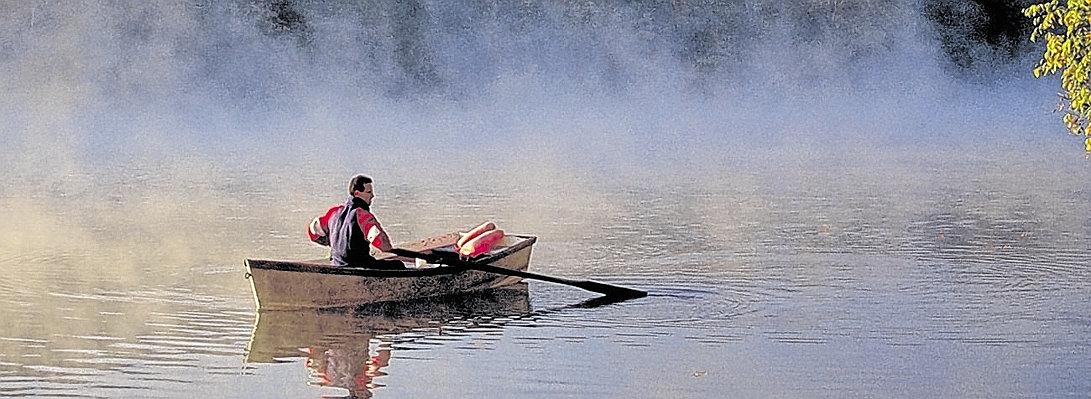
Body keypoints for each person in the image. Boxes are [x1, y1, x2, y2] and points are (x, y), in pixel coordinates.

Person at [307, 174, 406, 269]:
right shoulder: (363, 215)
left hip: (337, 265)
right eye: (369, 192)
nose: (373, 196)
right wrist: (387, 247)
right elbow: (384, 246)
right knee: (398, 265)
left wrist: (332, 242)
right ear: (357, 193)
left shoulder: (334, 212)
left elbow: (313, 232)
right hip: (359, 267)